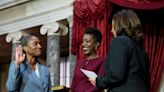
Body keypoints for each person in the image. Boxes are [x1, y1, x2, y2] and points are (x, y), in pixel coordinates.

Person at [89, 9, 150, 92]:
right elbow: (147, 81)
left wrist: (98, 81)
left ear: (120, 26)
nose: (111, 31)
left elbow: (116, 75)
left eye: (113, 27)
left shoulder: (119, 41)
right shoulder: (142, 50)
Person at [70, 28, 105, 92]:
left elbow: (100, 85)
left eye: (88, 41)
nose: (83, 44)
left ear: (96, 44)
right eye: (83, 41)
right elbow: (73, 85)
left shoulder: (102, 61)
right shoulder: (79, 62)